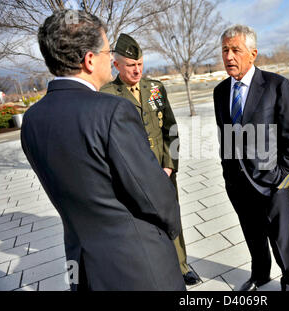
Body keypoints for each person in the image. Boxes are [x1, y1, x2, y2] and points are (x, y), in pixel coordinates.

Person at [21, 10, 185, 291]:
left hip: (83, 266)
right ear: (88, 60)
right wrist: (169, 231)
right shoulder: (111, 110)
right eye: (108, 51)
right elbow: (154, 194)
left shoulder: (32, 121)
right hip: (138, 265)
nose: (111, 58)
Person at [101, 33, 200, 286]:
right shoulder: (107, 94)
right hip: (131, 173)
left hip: (162, 170)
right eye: (131, 65)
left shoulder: (155, 87)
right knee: (141, 223)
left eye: (140, 64)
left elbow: (171, 129)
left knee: (171, 216)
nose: (137, 70)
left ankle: (181, 265)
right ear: (117, 65)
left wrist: (169, 165)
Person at [213, 25, 289, 291]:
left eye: (236, 50)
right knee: (252, 234)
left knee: (282, 239)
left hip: (271, 182)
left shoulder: (277, 86)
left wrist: (281, 176)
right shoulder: (220, 92)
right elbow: (225, 136)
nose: (229, 57)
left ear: (253, 54)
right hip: (237, 183)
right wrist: (227, 172)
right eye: (225, 50)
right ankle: (260, 275)